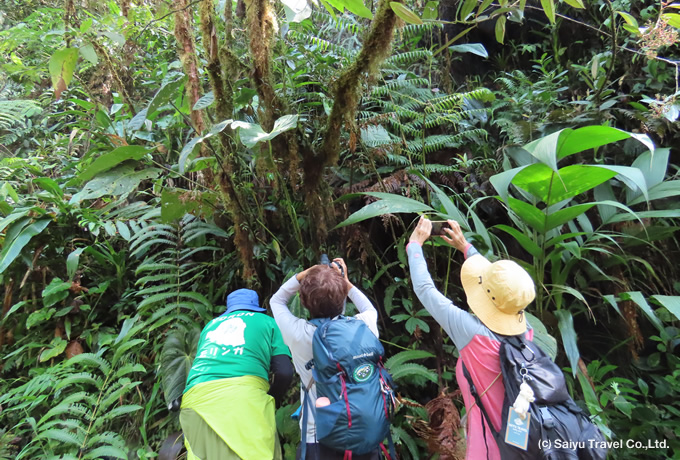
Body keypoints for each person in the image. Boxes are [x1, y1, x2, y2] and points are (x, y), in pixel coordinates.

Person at [407, 216, 536, 460]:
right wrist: (465, 247)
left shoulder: (473, 336)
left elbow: (425, 290)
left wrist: (414, 245)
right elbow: (504, 291)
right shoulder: (526, 332)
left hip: (489, 451)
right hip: (523, 445)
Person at [270, 258, 382, 460]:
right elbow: (370, 309)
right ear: (343, 297)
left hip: (318, 437)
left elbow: (276, 300)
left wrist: (305, 274)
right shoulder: (363, 326)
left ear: (304, 302)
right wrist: (345, 282)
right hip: (362, 434)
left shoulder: (299, 334)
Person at [180, 288, 294, 460]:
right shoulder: (267, 321)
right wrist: (272, 398)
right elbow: (284, 372)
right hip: (243, 396)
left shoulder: (210, 326)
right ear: (255, 306)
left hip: (195, 398)